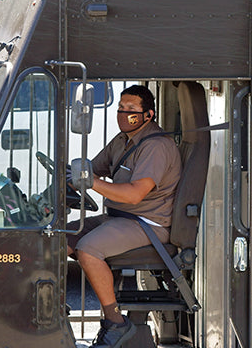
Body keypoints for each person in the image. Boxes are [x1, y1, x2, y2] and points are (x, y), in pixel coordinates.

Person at [67, 85, 182, 348]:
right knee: (59, 239)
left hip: (147, 223)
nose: (123, 113)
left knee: (87, 250)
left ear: (148, 114)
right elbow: (93, 169)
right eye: (121, 107)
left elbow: (133, 195)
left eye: (131, 110)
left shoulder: (156, 146)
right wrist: (66, 181)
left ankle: (115, 323)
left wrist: (90, 183)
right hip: (120, 217)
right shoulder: (123, 139)